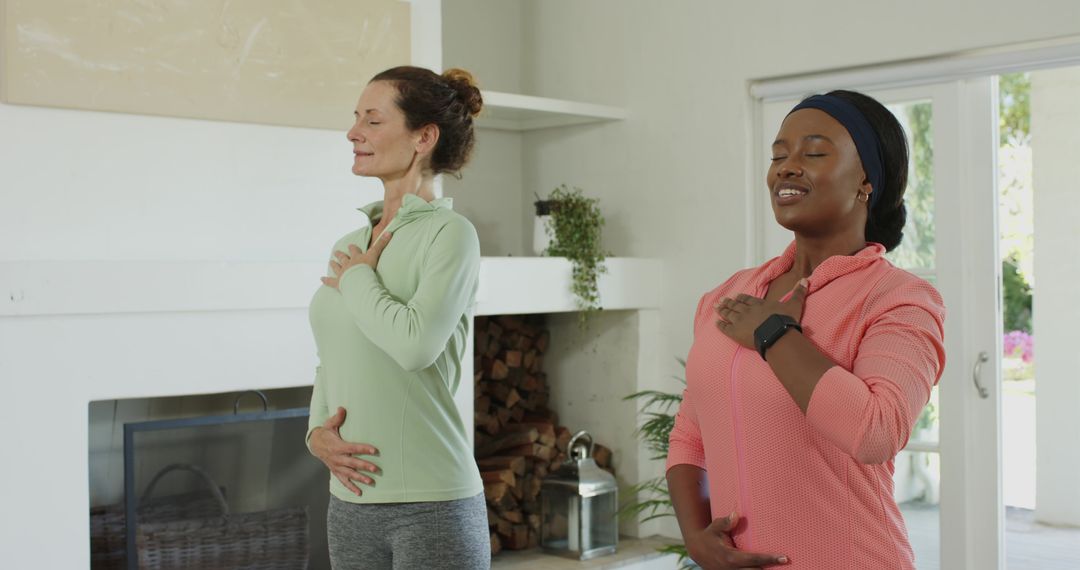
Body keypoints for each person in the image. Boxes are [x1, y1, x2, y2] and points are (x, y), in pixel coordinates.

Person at [666, 90, 946, 569]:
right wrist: (696, 537)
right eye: (778, 155)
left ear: (866, 182)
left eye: (813, 153)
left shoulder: (900, 299)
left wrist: (774, 337)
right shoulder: (728, 296)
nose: (786, 167)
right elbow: (690, 434)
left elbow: (876, 431)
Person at [305, 65, 489, 569]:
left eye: (372, 120)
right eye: (355, 119)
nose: (353, 132)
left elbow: (414, 346)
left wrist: (361, 280)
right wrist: (317, 431)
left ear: (423, 137)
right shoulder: (350, 246)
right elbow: (332, 355)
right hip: (350, 499)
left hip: (432, 504)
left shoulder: (450, 235)